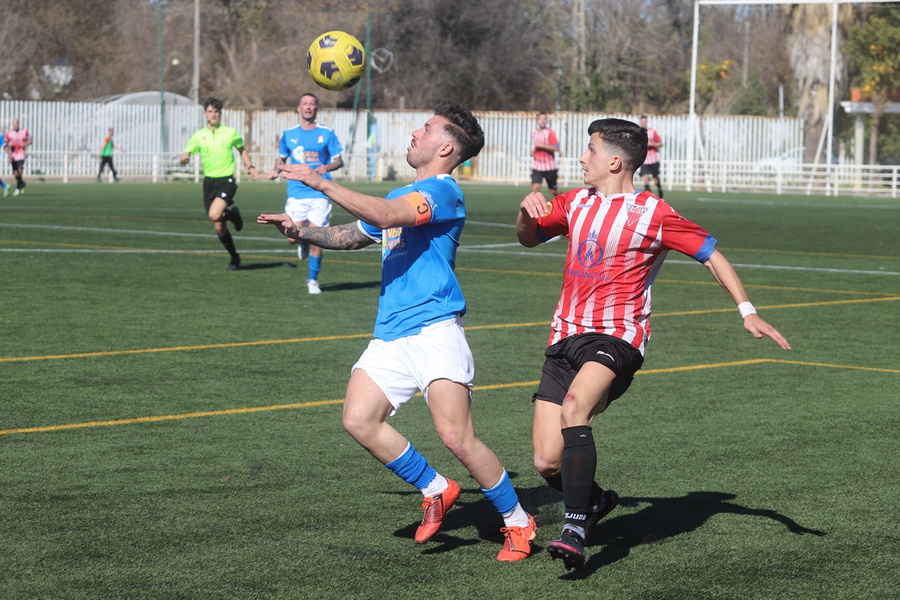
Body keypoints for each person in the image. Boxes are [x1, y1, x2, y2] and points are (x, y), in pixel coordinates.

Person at [258, 101, 536, 562]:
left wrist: (320, 181)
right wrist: (301, 230)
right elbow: (353, 234)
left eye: (425, 129)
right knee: (358, 419)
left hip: (434, 332)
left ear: (446, 146)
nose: (414, 133)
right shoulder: (406, 194)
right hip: (390, 334)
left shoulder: (443, 193)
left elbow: (387, 217)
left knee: (457, 438)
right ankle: (436, 487)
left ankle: (518, 521)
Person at [516, 117, 791, 571]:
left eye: (589, 150)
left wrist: (748, 311)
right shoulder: (575, 202)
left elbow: (711, 253)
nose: (581, 157)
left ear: (614, 161)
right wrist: (526, 215)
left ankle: (575, 527)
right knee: (547, 461)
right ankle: (597, 500)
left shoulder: (654, 213)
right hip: (565, 334)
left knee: (573, 410)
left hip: (618, 336)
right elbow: (529, 239)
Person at [266, 93, 343, 295]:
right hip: (296, 192)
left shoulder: (326, 132)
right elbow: (281, 158)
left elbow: (339, 160)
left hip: (320, 192)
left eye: (312, 104)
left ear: (317, 108)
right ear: (299, 108)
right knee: (292, 236)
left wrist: (328, 166)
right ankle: (302, 244)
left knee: (318, 237)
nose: (308, 107)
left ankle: (313, 280)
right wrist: (276, 170)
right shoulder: (289, 133)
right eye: (305, 104)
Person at [180, 97, 258, 271]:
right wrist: (184, 158)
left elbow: (241, 149)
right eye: (210, 111)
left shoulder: (229, 132)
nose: (213, 114)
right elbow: (187, 154)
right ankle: (234, 256)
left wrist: (250, 166)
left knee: (215, 214)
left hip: (226, 180)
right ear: (205, 114)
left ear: (220, 114)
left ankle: (232, 215)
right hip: (209, 182)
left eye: (216, 111)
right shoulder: (199, 135)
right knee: (218, 225)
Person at [531, 111, 560, 196]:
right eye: (540, 119)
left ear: (547, 121)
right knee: (535, 189)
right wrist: (533, 152)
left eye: (544, 119)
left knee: (553, 190)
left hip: (550, 167)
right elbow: (536, 147)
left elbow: (556, 147)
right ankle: (536, 209)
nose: (542, 121)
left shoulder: (550, 132)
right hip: (537, 166)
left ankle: (564, 201)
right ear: (537, 121)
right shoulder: (534, 133)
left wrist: (542, 145)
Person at [5, 118, 32, 196]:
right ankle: (22, 183)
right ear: (12, 125)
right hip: (13, 156)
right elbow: (6, 145)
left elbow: (30, 140)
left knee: (19, 171)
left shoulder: (24, 132)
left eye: (16, 123)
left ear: (18, 124)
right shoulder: (9, 133)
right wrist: (9, 155)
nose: (15, 125)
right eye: (14, 124)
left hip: (21, 155)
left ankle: (18, 188)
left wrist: (26, 143)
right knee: (15, 173)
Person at [639, 115, 664, 198]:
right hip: (644, 159)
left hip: (654, 160)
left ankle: (660, 194)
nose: (643, 123)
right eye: (642, 121)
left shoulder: (652, 132)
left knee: (655, 179)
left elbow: (660, 143)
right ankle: (649, 197)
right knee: (645, 179)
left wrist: (651, 144)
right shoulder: (638, 133)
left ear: (647, 122)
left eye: (645, 121)